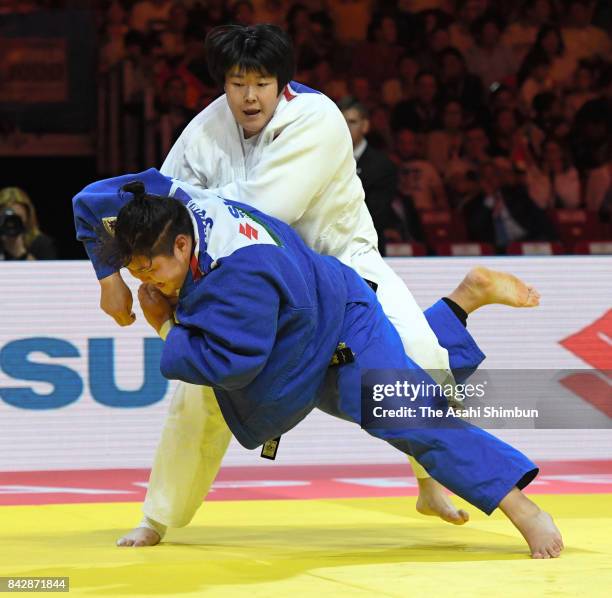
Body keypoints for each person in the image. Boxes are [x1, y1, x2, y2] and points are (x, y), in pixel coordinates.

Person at [80, 25, 538, 547]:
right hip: (250, 284)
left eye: (262, 83)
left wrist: (193, 206)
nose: (249, 96)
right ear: (222, 84)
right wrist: (109, 272)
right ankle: (156, 517)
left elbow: (264, 211)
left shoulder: (318, 119)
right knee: (200, 397)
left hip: (342, 265)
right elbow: (156, 216)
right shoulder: (205, 129)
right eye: (236, 83)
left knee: (418, 352)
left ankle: (430, 481)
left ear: (283, 83)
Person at [88, 173, 563, 559]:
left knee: (407, 414)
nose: (143, 281)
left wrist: (163, 326)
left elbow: (232, 366)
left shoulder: (237, 277)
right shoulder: (175, 203)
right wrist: (108, 277)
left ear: (181, 246)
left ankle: (522, 509)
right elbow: (89, 202)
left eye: (148, 269)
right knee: (413, 381)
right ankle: (459, 306)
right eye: (134, 271)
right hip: (297, 325)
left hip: (337, 330)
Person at [338, 96, 397, 256]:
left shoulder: (382, 165)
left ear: (365, 126)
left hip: (368, 251)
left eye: (352, 122)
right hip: (330, 253)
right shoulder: (325, 160)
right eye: (341, 122)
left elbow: (376, 216)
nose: (346, 127)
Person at [0, 187, 57, 260]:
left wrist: (20, 252)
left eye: (17, 219)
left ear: (27, 217)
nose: (11, 224)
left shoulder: (41, 244)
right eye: (7, 219)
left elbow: (48, 271)